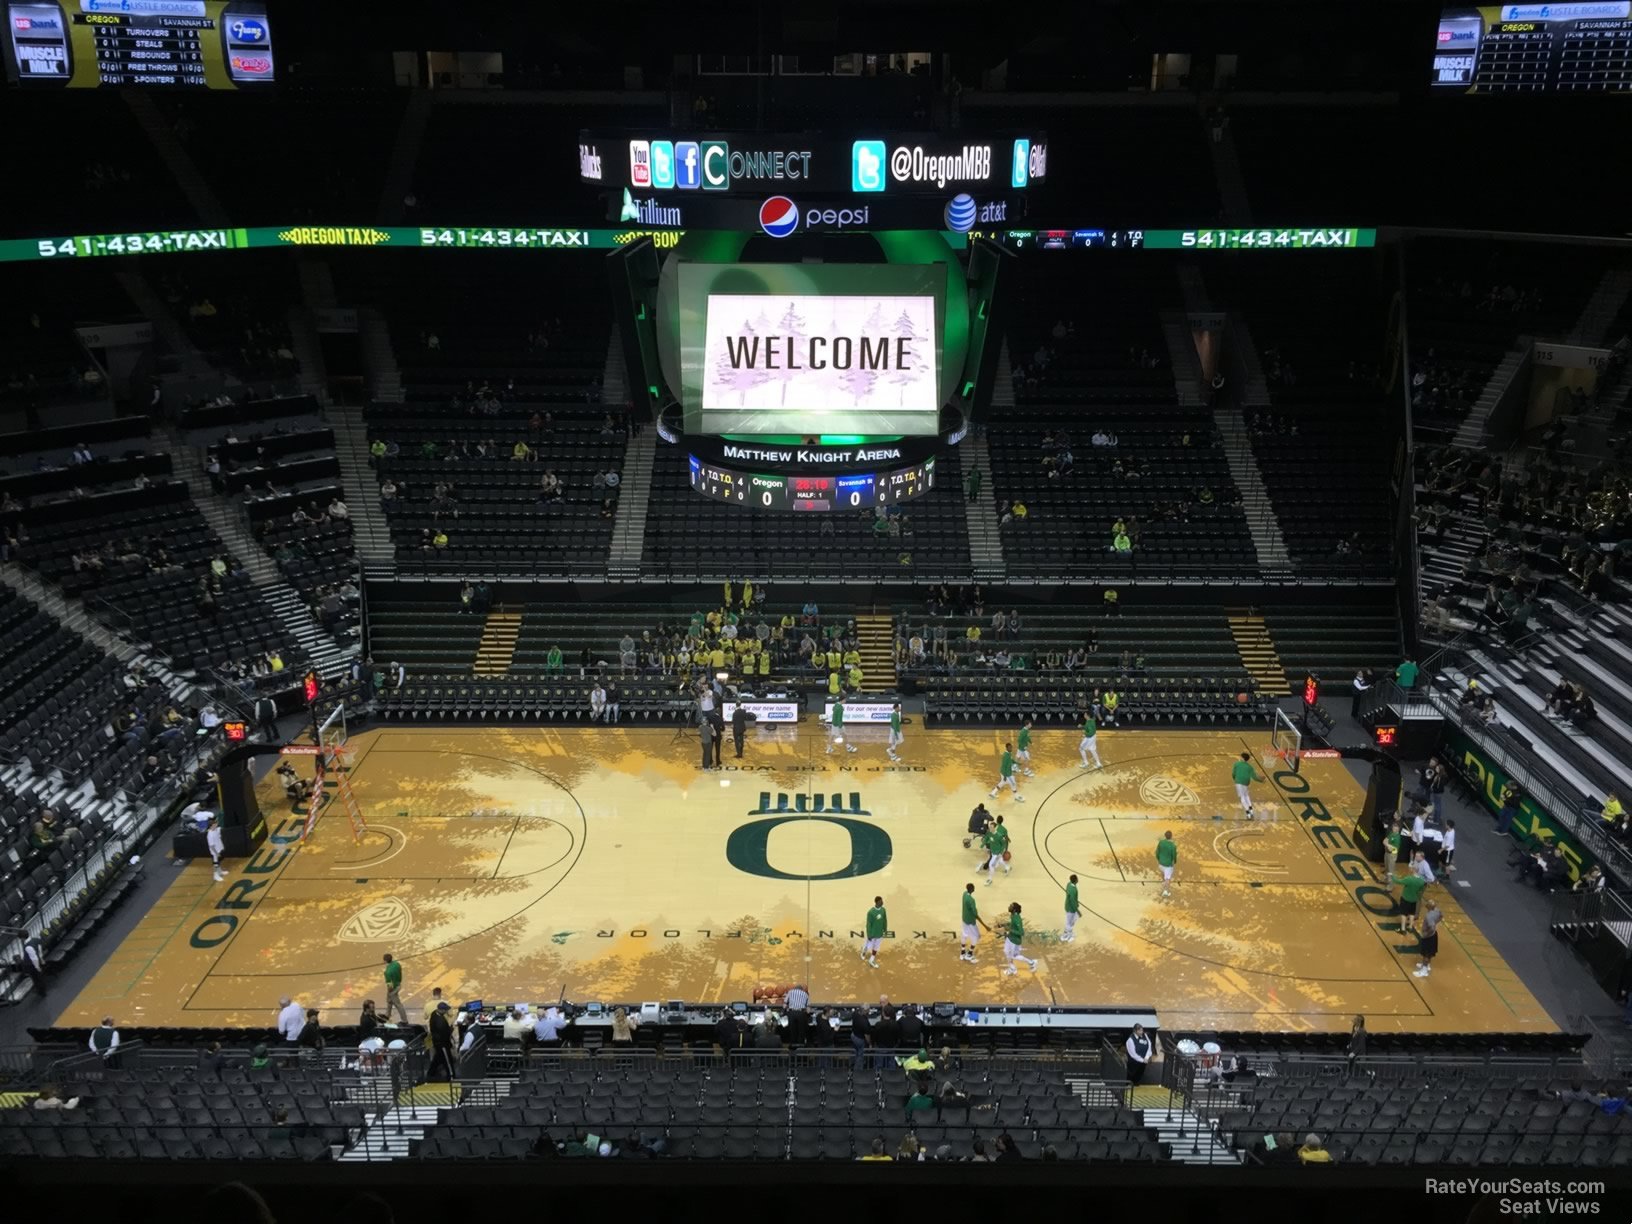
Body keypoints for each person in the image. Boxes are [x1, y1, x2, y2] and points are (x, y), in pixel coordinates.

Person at [997, 901, 1038, 977]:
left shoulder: (1017, 919)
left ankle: (1028, 963)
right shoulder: (1012, 915)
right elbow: (1012, 925)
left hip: (1014, 941)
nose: (1009, 906)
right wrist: (1004, 925)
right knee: (1007, 952)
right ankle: (1015, 967)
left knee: (1012, 956)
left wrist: (1009, 930)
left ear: (1014, 910)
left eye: (1011, 906)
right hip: (1010, 938)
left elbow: (1021, 933)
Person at [1231, 751, 1266, 819]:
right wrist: (1261, 780)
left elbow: (1233, 774)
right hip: (1246, 783)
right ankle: (1251, 810)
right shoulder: (1250, 767)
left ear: (1243, 758)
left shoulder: (1237, 764)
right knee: (1246, 795)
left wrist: (1235, 779)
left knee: (1242, 798)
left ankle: (1248, 813)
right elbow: (1255, 777)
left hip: (1239, 782)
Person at [428, 1001, 456, 1080]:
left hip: (437, 1042)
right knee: (448, 1060)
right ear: (441, 1010)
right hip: (442, 1044)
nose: (446, 1011)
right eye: (445, 1010)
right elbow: (445, 1035)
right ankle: (451, 1076)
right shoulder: (440, 1022)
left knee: (438, 1058)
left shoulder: (434, 1014)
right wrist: (450, 1030)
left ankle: (430, 1074)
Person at [1415, 900, 1442, 978]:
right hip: (1433, 936)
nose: (1426, 903)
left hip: (1429, 937)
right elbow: (1441, 916)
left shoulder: (1429, 916)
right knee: (1429, 953)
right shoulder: (1437, 910)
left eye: (1428, 903)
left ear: (1429, 906)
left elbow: (1432, 927)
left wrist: (1426, 933)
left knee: (1426, 954)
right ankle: (1426, 965)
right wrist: (1436, 922)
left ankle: (1424, 971)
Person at [981, 814, 1011, 885]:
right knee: (1000, 861)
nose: (990, 828)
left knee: (991, 865)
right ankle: (1007, 867)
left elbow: (1003, 843)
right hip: (994, 850)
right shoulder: (994, 831)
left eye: (991, 827)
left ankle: (990, 880)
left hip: (996, 852)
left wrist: (1000, 852)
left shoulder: (998, 835)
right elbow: (988, 838)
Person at [960, 882, 985, 963]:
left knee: (964, 934)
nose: (974, 888)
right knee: (976, 937)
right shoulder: (971, 900)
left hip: (964, 919)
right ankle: (969, 954)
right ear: (971, 889)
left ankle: (962, 952)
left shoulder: (964, 894)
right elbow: (975, 914)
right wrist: (985, 925)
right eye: (973, 887)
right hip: (970, 921)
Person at [861, 896, 887, 970]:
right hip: (872, 934)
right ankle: (863, 952)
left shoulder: (883, 910)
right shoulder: (871, 912)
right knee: (868, 946)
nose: (882, 902)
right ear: (877, 902)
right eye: (881, 901)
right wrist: (869, 934)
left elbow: (885, 920)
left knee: (876, 947)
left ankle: (871, 960)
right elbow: (868, 924)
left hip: (879, 934)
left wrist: (885, 929)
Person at [382, 952, 408, 1023]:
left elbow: (390, 986)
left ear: (385, 961)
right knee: (389, 1000)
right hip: (398, 984)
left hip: (393, 988)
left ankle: (404, 1020)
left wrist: (390, 992)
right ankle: (387, 1014)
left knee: (398, 1004)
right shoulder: (397, 964)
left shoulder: (387, 972)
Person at [1155, 830, 1178, 898]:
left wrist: (1158, 859)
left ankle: (1163, 883)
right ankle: (1166, 891)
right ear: (1171, 836)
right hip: (1168, 865)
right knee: (1168, 878)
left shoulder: (1161, 842)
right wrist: (1175, 861)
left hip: (1161, 863)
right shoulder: (1172, 846)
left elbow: (1157, 852)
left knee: (1163, 873)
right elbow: (1174, 855)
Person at [1062, 873, 1082, 942]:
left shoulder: (1069, 884)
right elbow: (1073, 901)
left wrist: (1075, 901)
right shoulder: (1073, 890)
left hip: (1068, 906)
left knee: (1070, 921)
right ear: (1076, 880)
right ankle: (1068, 936)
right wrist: (1077, 910)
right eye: (1077, 879)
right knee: (1070, 922)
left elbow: (1072, 897)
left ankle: (1066, 934)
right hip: (1071, 908)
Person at [206, 815, 225, 883]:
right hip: (215, 852)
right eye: (214, 825)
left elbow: (219, 828)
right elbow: (211, 846)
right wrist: (216, 853)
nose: (216, 825)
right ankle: (215, 875)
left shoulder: (216, 830)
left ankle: (220, 872)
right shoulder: (210, 835)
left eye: (216, 824)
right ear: (211, 826)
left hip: (219, 848)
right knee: (216, 864)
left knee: (219, 862)